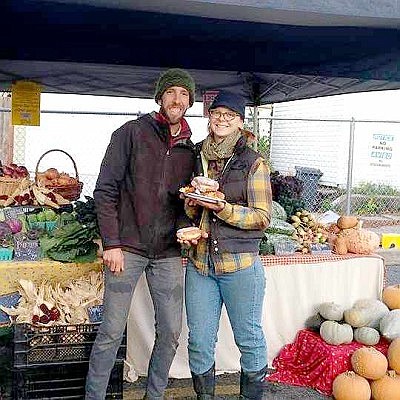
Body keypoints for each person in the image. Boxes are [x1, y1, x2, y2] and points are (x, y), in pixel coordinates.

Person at [85, 68, 197, 400]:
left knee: (171, 332)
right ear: (160, 97)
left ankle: (155, 395)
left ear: (190, 102)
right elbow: (105, 190)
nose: (177, 99)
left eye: (184, 94)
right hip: (127, 249)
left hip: (167, 254)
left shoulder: (190, 152)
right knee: (111, 331)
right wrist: (112, 243)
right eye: (171, 92)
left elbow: (184, 205)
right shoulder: (131, 133)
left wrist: (185, 229)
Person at [180, 91, 272, 400]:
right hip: (201, 265)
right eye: (217, 113)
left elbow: (262, 217)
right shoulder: (197, 155)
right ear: (209, 117)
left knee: (248, 338)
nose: (222, 119)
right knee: (200, 341)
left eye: (229, 115)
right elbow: (190, 212)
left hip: (240, 267)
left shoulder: (253, 162)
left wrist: (223, 208)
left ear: (240, 122)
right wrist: (191, 202)